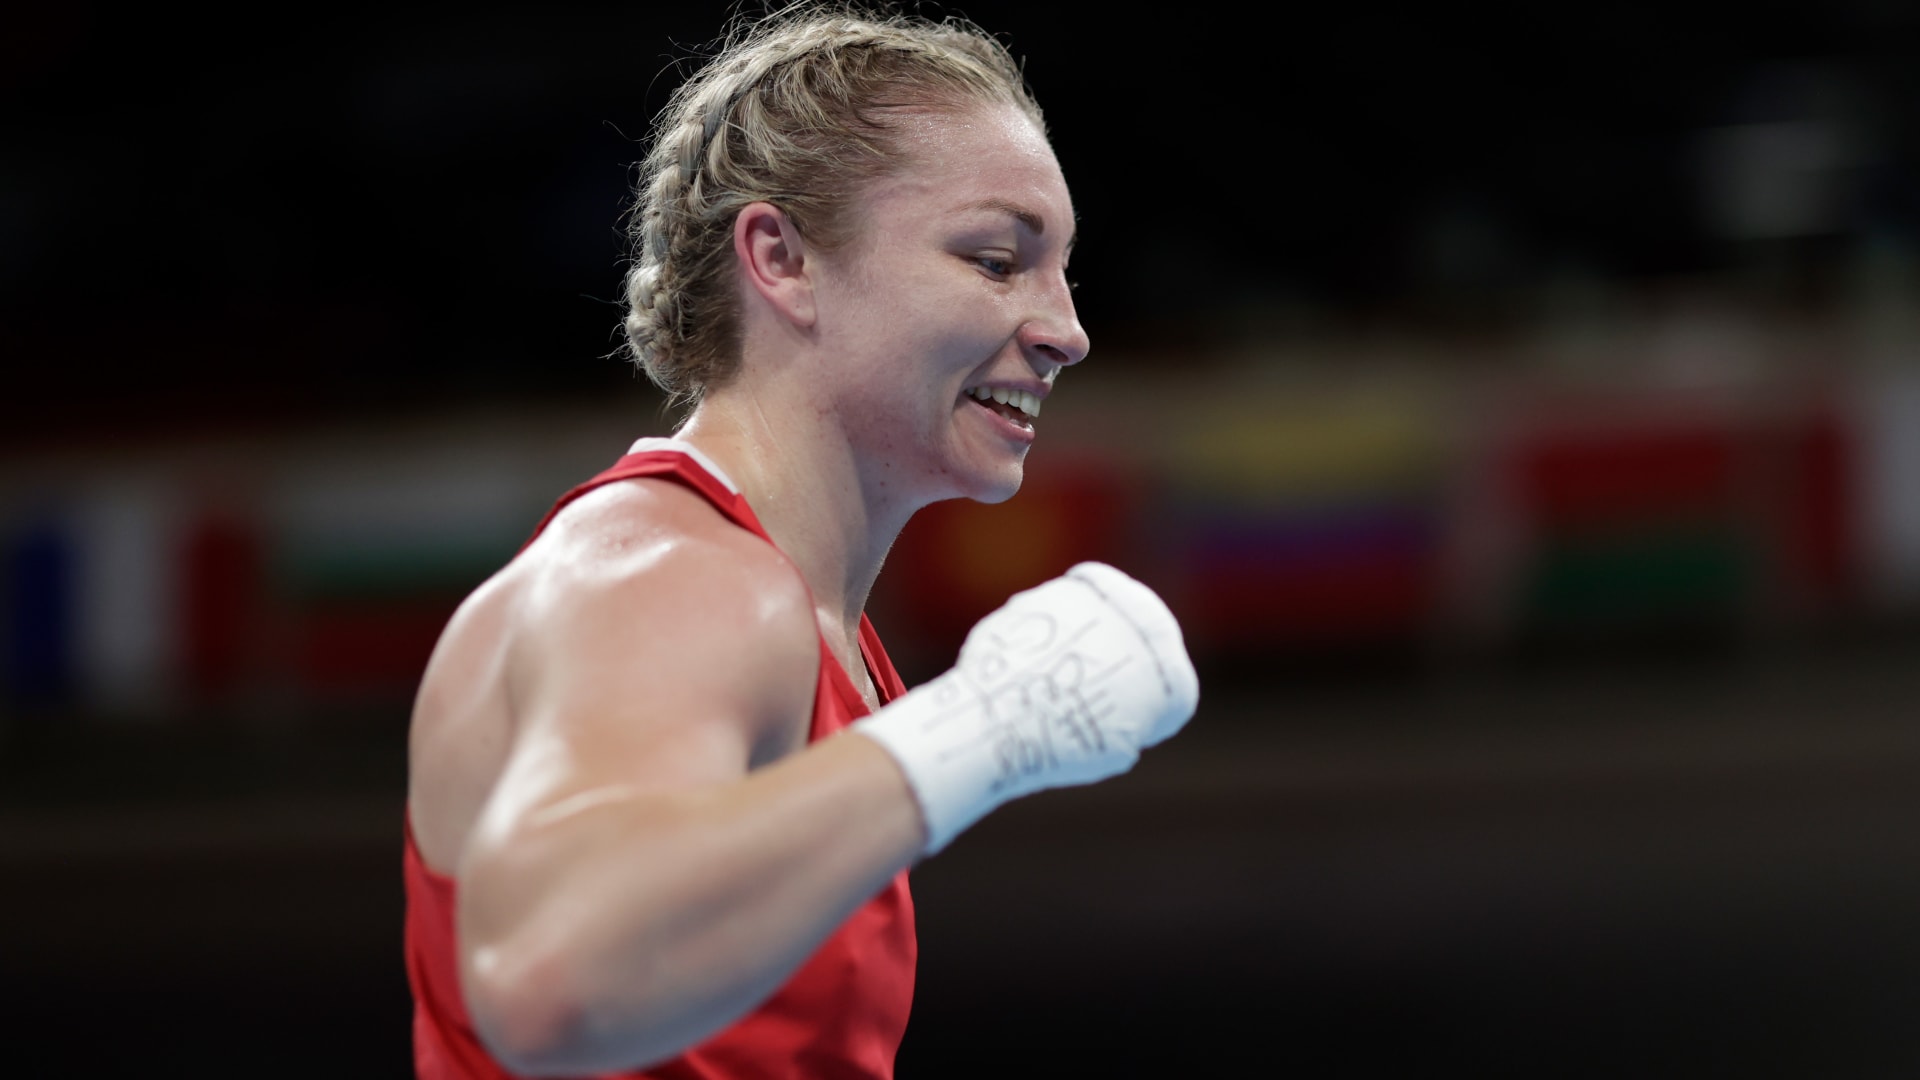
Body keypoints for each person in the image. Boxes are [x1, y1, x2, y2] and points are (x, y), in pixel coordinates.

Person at [401, 7, 1199, 1077]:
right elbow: (552, 980)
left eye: (1060, 270)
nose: (1067, 328)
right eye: (996, 259)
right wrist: (992, 726)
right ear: (781, 259)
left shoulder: (803, 614)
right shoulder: (677, 579)